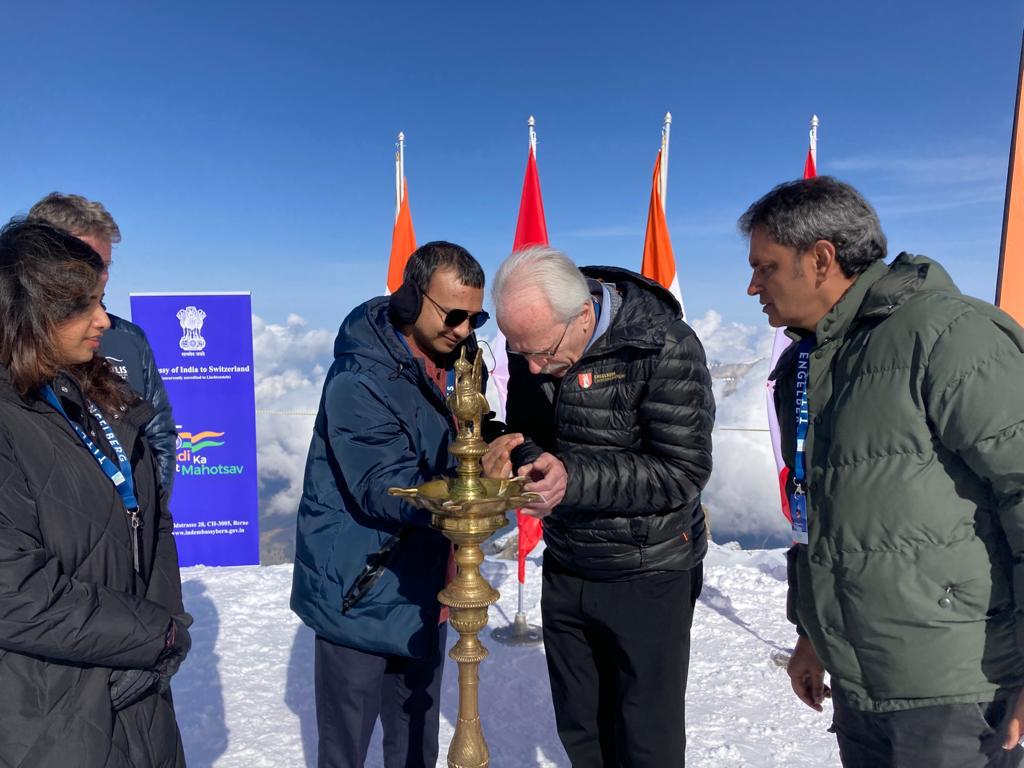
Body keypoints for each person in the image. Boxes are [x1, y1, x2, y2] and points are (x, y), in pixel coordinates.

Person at [741, 176, 1024, 767]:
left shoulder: (948, 334)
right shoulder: (814, 358)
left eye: (765, 268)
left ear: (820, 259)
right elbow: (823, 510)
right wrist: (812, 631)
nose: (752, 287)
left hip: (955, 682)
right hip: (861, 676)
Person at [483, 246, 715, 767]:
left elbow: (683, 471)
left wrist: (572, 480)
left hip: (648, 572)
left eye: (542, 352)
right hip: (567, 563)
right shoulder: (537, 340)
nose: (534, 367)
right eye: (520, 354)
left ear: (584, 314)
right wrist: (517, 451)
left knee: (645, 737)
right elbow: (529, 435)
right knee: (581, 727)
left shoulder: (663, 345)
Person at [291, 241, 498, 768]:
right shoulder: (358, 379)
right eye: (453, 315)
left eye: (477, 317)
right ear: (410, 300)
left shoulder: (459, 361)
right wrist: (476, 490)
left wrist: (508, 451)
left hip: (427, 585)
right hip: (360, 593)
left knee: (415, 743)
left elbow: (478, 429)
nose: (465, 330)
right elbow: (383, 485)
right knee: (346, 753)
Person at [0, 219, 191, 767]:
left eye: (101, 301)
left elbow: (146, 517)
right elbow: (13, 591)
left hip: (137, 691)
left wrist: (162, 633)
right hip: (50, 713)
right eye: (84, 307)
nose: (104, 321)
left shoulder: (86, 388)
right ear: (30, 316)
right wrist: (155, 636)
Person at [27, 192, 178, 493]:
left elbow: (159, 437)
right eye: (90, 263)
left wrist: (144, 513)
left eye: (106, 264)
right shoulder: (15, 348)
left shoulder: (127, 339)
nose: (102, 276)